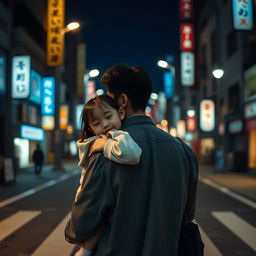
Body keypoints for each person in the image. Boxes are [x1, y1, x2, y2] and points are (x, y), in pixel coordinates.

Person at [65, 64, 199, 255]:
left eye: (109, 100)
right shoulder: (184, 151)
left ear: (122, 101)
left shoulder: (105, 149)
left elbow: (81, 226)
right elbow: (187, 215)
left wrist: (71, 231)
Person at [74, 95, 142, 256]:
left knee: (96, 224)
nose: (105, 125)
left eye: (108, 117)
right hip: (89, 195)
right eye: (96, 123)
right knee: (98, 222)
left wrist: (105, 145)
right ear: (91, 129)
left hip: (90, 195)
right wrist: (107, 143)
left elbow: (132, 154)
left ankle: (85, 250)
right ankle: (86, 250)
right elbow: (132, 154)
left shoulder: (107, 139)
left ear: (120, 113)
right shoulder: (111, 137)